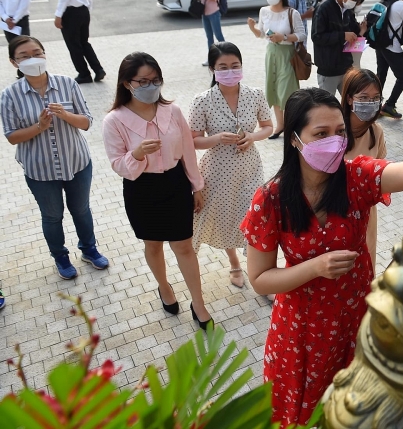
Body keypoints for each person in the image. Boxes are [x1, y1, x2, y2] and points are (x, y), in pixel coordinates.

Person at [242, 87, 403, 428]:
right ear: (294, 140)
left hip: (357, 319)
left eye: (340, 132)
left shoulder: (355, 178)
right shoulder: (270, 200)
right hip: (302, 332)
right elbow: (259, 279)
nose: (335, 141)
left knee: (355, 410)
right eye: (321, 134)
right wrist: (315, 267)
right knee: (302, 415)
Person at [103, 52, 213, 330]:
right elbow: (118, 165)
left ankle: (198, 302)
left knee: (184, 246)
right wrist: (137, 154)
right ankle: (164, 287)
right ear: (127, 83)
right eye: (143, 81)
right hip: (142, 188)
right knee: (152, 244)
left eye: (156, 80)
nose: (151, 86)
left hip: (175, 184)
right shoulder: (114, 121)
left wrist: (196, 186)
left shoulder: (172, 111)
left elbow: (188, 151)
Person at [1, 36, 109, 280]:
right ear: (13, 62)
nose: (33, 59)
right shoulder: (9, 95)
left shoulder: (67, 84)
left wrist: (66, 115)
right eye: (25, 56)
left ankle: (89, 249)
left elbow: (87, 122)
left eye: (37, 53)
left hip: (77, 163)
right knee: (52, 216)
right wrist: (39, 126)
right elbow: (12, 136)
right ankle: (60, 256)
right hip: (40, 170)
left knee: (81, 210)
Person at [189, 42, 273, 288]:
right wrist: (216, 139)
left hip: (250, 168)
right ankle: (235, 264)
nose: (229, 71)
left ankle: (261, 274)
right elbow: (193, 140)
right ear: (213, 70)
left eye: (234, 66)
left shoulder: (255, 94)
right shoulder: (202, 100)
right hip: (217, 172)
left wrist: (252, 136)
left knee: (256, 219)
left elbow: (268, 127)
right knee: (226, 218)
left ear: (242, 66)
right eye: (222, 67)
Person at [247, 0, 306, 138]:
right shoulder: (264, 11)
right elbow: (261, 34)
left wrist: (284, 37)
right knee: (273, 89)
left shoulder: (291, 13)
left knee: (286, 91)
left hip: (287, 54)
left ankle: (292, 124)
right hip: (271, 53)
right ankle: (279, 126)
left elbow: (302, 34)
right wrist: (253, 29)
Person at [341, 68, 386, 267]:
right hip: (337, 210)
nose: (370, 103)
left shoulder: (376, 131)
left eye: (375, 98)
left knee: (365, 264)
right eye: (364, 97)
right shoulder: (335, 130)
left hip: (366, 212)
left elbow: (382, 170)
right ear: (350, 99)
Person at [311, 0, 369, 97]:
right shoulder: (323, 9)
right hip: (328, 68)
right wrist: (342, 36)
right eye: (354, 0)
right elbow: (317, 36)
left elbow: (353, 30)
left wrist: (361, 31)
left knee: (351, 103)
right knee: (327, 105)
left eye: (358, 2)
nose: (354, 4)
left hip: (346, 67)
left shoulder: (348, 11)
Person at [191, 0, 225, 65]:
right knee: (209, 37)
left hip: (213, 12)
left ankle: (225, 56)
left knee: (219, 36)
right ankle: (211, 58)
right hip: (204, 13)